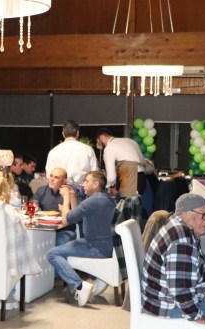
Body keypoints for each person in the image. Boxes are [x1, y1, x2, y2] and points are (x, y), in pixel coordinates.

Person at [142, 193, 205, 329]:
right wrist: (196, 317)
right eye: (204, 215)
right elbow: (180, 289)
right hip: (168, 306)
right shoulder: (181, 239)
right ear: (186, 214)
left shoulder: (180, 229)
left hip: (170, 300)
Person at [46, 171, 115, 307]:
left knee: (52, 254)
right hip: (104, 244)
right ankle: (91, 279)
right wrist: (72, 197)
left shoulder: (92, 201)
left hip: (94, 247)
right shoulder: (104, 198)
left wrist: (66, 197)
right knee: (60, 250)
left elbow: (66, 220)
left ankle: (79, 286)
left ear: (96, 185)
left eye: (86, 181)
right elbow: (77, 215)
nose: (83, 184)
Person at [31, 167, 79, 245]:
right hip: (45, 229)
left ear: (64, 181)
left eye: (56, 177)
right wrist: (34, 205)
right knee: (31, 241)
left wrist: (69, 199)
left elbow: (76, 216)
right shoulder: (42, 190)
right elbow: (34, 202)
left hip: (64, 230)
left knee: (58, 242)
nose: (52, 179)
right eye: (51, 176)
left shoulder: (71, 192)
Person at [45, 120, 98, 186]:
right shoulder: (88, 149)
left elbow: (49, 176)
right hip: (82, 189)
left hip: (61, 189)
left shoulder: (53, 151)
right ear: (77, 133)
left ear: (63, 134)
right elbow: (94, 174)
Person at [96, 128, 144, 198]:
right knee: (136, 203)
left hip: (129, 178)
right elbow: (142, 160)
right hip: (142, 178)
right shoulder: (131, 141)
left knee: (126, 203)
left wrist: (105, 188)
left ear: (102, 137)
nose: (98, 144)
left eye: (98, 141)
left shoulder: (109, 147)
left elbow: (111, 177)